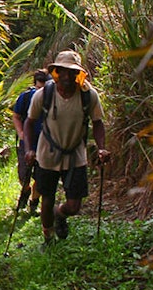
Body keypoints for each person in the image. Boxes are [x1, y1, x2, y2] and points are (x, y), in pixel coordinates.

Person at [23, 50, 110, 244]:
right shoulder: (43, 94)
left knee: (74, 205)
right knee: (47, 198)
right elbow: (29, 122)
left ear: (78, 74)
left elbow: (97, 123)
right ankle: (48, 237)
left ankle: (60, 214)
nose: (66, 76)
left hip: (75, 154)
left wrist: (102, 147)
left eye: (71, 72)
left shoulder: (88, 95)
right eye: (62, 71)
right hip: (47, 153)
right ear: (56, 72)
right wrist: (29, 149)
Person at [11, 69, 49, 215]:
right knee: (23, 175)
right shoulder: (26, 97)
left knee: (41, 176)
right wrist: (21, 133)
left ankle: (34, 203)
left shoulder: (53, 99)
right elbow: (16, 116)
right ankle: (25, 192)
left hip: (45, 145)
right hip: (27, 143)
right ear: (34, 86)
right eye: (39, 88)